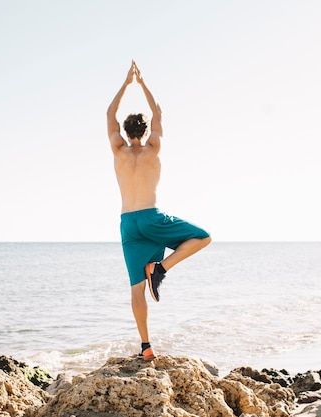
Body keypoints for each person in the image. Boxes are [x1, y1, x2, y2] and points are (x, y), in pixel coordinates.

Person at [106, 61, 211, 360]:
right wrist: (142, 84)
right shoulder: (154, 148)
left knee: (136, 289)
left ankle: (146, 347)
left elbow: (109, 114)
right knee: (203, 238)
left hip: (128, 223)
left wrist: (126, 84)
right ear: (146, 130)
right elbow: (159, 112)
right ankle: (161, 269)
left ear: (125, 132)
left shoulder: (118, 149)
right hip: (152, 217)